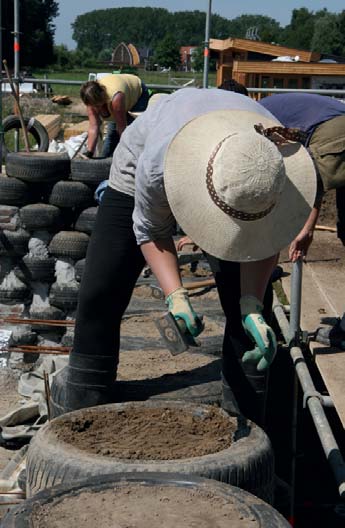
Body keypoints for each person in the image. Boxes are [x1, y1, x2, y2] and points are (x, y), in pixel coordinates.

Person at [53, 88, 316, 424]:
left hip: (236, 166)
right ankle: (84, 402)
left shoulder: (273, 167)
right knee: (101, 291)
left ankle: (248, 420)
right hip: (142, 169)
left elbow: (264, 240)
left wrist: (251, 305)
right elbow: (150, 230)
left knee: (252, 317)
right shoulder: (157, 163)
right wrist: (175, 295)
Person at [260, 92, 345, 347]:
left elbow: (311, 180)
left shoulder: (248, 120)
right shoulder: (266, 111)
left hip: (336, 135)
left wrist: (306, 229)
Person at [80, 73, 150, 158]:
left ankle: (135, 159)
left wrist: (124, 152)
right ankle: (105, 160)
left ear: (102, 98)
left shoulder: (116, 98)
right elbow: (93, 127)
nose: (96, 108)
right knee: (112, 134)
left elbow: (121, 127)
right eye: (93, 105)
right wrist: (89, 152)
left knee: (133, 132)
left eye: (97, 105)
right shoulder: (91, 102)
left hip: (137, 94)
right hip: (119, 90)